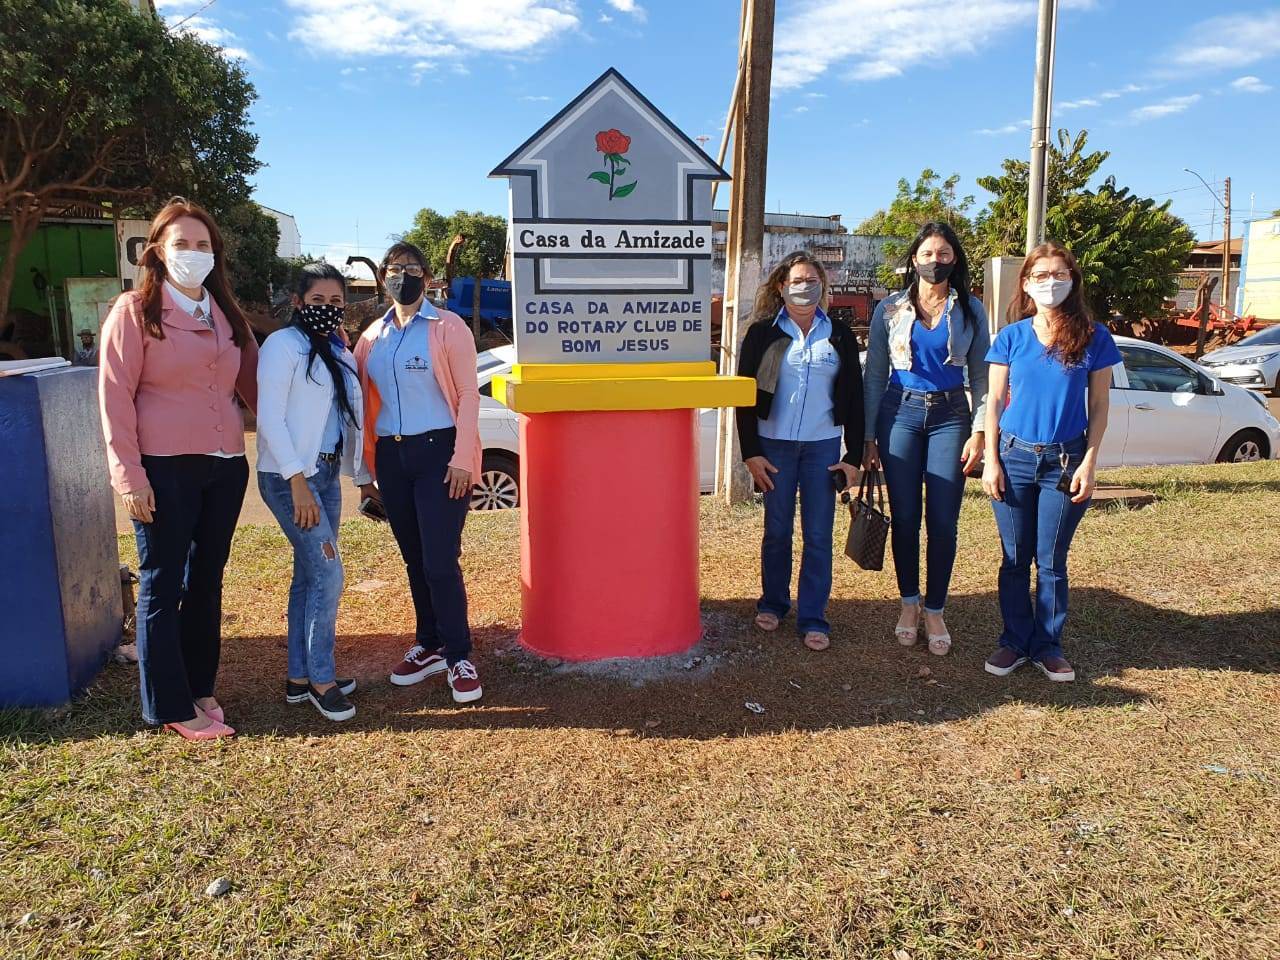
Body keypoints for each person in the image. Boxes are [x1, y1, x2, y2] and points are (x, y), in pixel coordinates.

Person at [99, 197, 258, 740]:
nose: (194, 253)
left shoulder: (226, 315)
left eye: (202, 244)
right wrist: (129, 477)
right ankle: (169, 704)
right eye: (182, 244)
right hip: (164, 469)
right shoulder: (134, 312)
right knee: (163, 585)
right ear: (158, 253)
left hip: (225, 466)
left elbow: (257, 386)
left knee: (207, 580)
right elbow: (115, 399)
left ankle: (199, 685)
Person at [980, 242, 1122, 683]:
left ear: (1073, 280)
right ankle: (1014, 641)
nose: (1050, 283)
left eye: (1059, 274)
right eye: (1040, 275)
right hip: (1014, 458)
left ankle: (1047, 646)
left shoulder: (1094, 336)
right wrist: (991, 460)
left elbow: (1099, 405)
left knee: (1052, 561)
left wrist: (1089, 462)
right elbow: (994, 402)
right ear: (1025, 284)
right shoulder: (1011, 337)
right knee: (1014, 558)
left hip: (1066, 461)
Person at [354, 242, 484, 703]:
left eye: (411, 268)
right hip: (392, 457)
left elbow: (469, 395)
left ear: (427, 278)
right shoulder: (372, 337)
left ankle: (458, 654)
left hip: (439, 453)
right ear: (383, 277)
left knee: (439, 560)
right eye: (394, 268)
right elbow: (360, 405)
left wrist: (463, 458)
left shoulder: (448, 327)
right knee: (414, 558)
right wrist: (364, 472)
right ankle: (428, 643)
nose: (402, 276)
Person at [862, 222, 990, 656]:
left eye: (945, 253)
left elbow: (982, 375)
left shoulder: (971, 309)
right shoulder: (890, 308)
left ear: (955, 259)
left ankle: (935, 610)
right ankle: (909, 604)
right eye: (928, 253)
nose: (936, 261)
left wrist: (979, 430)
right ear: (914, 259)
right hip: (898, 413)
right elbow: (874, 374)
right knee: (905, 517)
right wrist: (868, 436)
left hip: (950, 416)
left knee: (943, 520)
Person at [736, 250, 863, 652]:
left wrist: (853, 457)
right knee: (777, 530)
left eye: (812, 281)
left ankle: (813, 616)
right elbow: (744, 396)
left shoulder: (838, 334)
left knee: (819, 534)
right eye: (797, 281)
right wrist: (750, 452)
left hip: (822, 447)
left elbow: (855, 397)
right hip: (773, 445)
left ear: (822, 286)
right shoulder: (762, 333)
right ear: (781, 286)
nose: (805, 288)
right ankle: (773, 602)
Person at [256, 263, 366, 722]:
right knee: (329, 573)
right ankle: (323, 680)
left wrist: (359, 475)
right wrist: (297, 481)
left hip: (325, 474)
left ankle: (300, 677)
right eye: (318, 300)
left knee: (308, 576)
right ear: (298, 302)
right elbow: (269, 416)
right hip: (291, 479)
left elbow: (347, 417)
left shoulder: (337, 350)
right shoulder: (282, 345)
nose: (327, 308)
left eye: (336, 301)